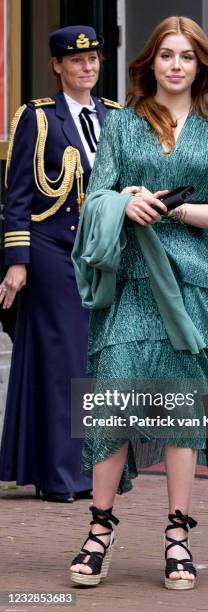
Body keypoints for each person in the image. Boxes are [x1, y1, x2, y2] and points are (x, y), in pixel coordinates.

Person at [70, 15, 208, 589]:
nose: (176, 65)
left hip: (191, 286)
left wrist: (173, 207)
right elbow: (97, 193)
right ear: (150, 63)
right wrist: (124, 202)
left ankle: (177, 536)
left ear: (201, 66)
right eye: (167, 55)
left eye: (187, 57)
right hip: (131, 283)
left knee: (181, 413)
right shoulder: (122, 125)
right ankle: (100, 529)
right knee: (114, 398)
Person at [0, 26, 120, 503]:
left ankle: (94, 469)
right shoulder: (38, 118)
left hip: (103, 255)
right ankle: (62, 476)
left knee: (97, 362)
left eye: (92, 60)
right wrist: (17, 262)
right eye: (75, 61)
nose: (86, 68)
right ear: (57, 66)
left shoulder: (115, 117)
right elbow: (17, 198)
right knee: (63, 363)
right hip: (53, 252)